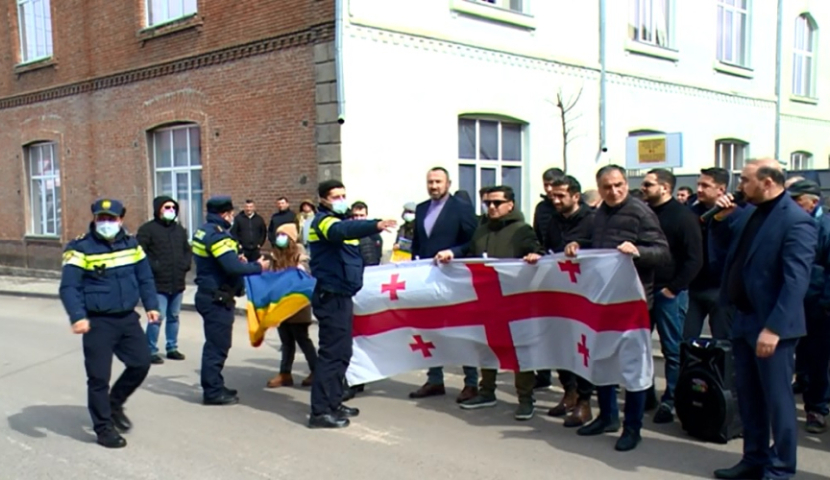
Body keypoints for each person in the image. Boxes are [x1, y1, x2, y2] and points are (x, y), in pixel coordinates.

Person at [710, 159, 817, 480]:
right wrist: (719, 218)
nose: (739, 186)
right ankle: (753, 457)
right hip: (743, 319)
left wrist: (775, 328)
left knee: (777, 400)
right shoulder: (751, 214)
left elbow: (796, 281)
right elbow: (730, 253)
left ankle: (781, 468)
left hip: (772, 327)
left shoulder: (796, 221)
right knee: (749, 396)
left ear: (767, 181)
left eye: (744, 180)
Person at [566, 165, 670, 452]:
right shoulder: (599, 214)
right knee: (601, 360)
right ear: (599, 189)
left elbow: (662, 252)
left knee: (631, 368)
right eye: (608, 187)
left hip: (634, 305)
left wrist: (638, 251)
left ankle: (632, 427)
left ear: (626, 184)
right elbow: (593, 244)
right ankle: (607, 416)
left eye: (619, 185)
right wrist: (576, 245)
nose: (614, 191)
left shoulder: (640, 212)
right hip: (604, 301)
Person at [59, 199, 160, 449]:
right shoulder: (80, 248)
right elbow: (69, 287)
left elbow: (145, 277)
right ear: (94, 219)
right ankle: (103, 428)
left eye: (111, 219)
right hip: (98, 322)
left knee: (141, 363)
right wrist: (77, 316)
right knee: (98, 378)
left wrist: (152, 306)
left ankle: (115, 404)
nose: (106, 223)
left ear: (121, 221)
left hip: (127, 318)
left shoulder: (131, 244)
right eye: (101, 218)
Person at [436, 185, 543, 420]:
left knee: (518, 351)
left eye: (497, 203)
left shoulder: (522, 230)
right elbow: (471, 256)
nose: (492, 207)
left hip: (515, 303)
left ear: (510, 204)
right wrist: (452, 256)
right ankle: (487, 391)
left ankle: (525, 399)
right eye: (487, 203)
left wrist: (535, 256)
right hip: (486, 301)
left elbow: (538, 253)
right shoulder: (481, 230)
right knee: (486, 345)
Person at [307, 179, 398, 429]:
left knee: (343, 353)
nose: (341, 200)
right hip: (331, 296)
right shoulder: (323, 222)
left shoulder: (342, 221)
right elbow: (340, 233)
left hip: (343, 296)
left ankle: (335, 402)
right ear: (324, 199)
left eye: (343, 195)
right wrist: (375, 225)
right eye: (335, 196)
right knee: (331, 354)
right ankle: (320, 412)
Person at [408, 167, 479, 402]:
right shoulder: (420, 209)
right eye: (430, 182)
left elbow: (474, 241)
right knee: (430, 328)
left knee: (461, 330)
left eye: (438, 182)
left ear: (448, 183)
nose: (434, 186)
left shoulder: (462, 209)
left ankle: (471, 382)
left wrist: (454, 252)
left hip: (454, 277)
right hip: (428, 279)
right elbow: (417, 245)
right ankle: (435, 379)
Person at [192, 196, 269, 406]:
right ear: (225, 213)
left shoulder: (203, 231)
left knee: (216, 344)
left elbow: (221, 261)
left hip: (210, 293)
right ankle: (212, 391)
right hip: (216, 297)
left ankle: (215, 384)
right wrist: (258, 267)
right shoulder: (218, 236)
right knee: (217, 346)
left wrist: (236, 259)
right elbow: (232, 267)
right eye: (231, 213)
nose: (233, 216)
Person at [787, 180, 830, 434]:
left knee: (818, 357)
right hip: (795, 301)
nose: (791, 203)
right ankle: (802, 382)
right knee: (800, 351)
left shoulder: (824, 227)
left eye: (796, 199)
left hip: (817, 304)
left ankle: (817, 407)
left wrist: (826, 303)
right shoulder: (793, 223)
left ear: (812, 202)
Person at [136, 195, 192, 365]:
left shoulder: (179, 230)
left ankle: (172, 347)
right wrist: (155, 266)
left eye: (173, 208)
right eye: (167, 208)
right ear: (158, 209)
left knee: (174, 316)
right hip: (158, 282)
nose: (171, 211)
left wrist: (185, 265)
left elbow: (186, 250)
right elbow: (140, 253)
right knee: (156, 317)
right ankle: (150, 349)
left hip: (177, 281)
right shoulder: (148, 229)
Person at [265, 223, 317, 389]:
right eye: (278, 235)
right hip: (281, 302)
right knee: (286, 341)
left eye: (283, 235)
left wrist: (299, 269)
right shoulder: (275, 255)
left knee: (302, 338)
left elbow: (307, 275)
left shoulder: (300, 254)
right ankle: (285, 373)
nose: (280, 238)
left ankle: (316, 370)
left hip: (298, 303)